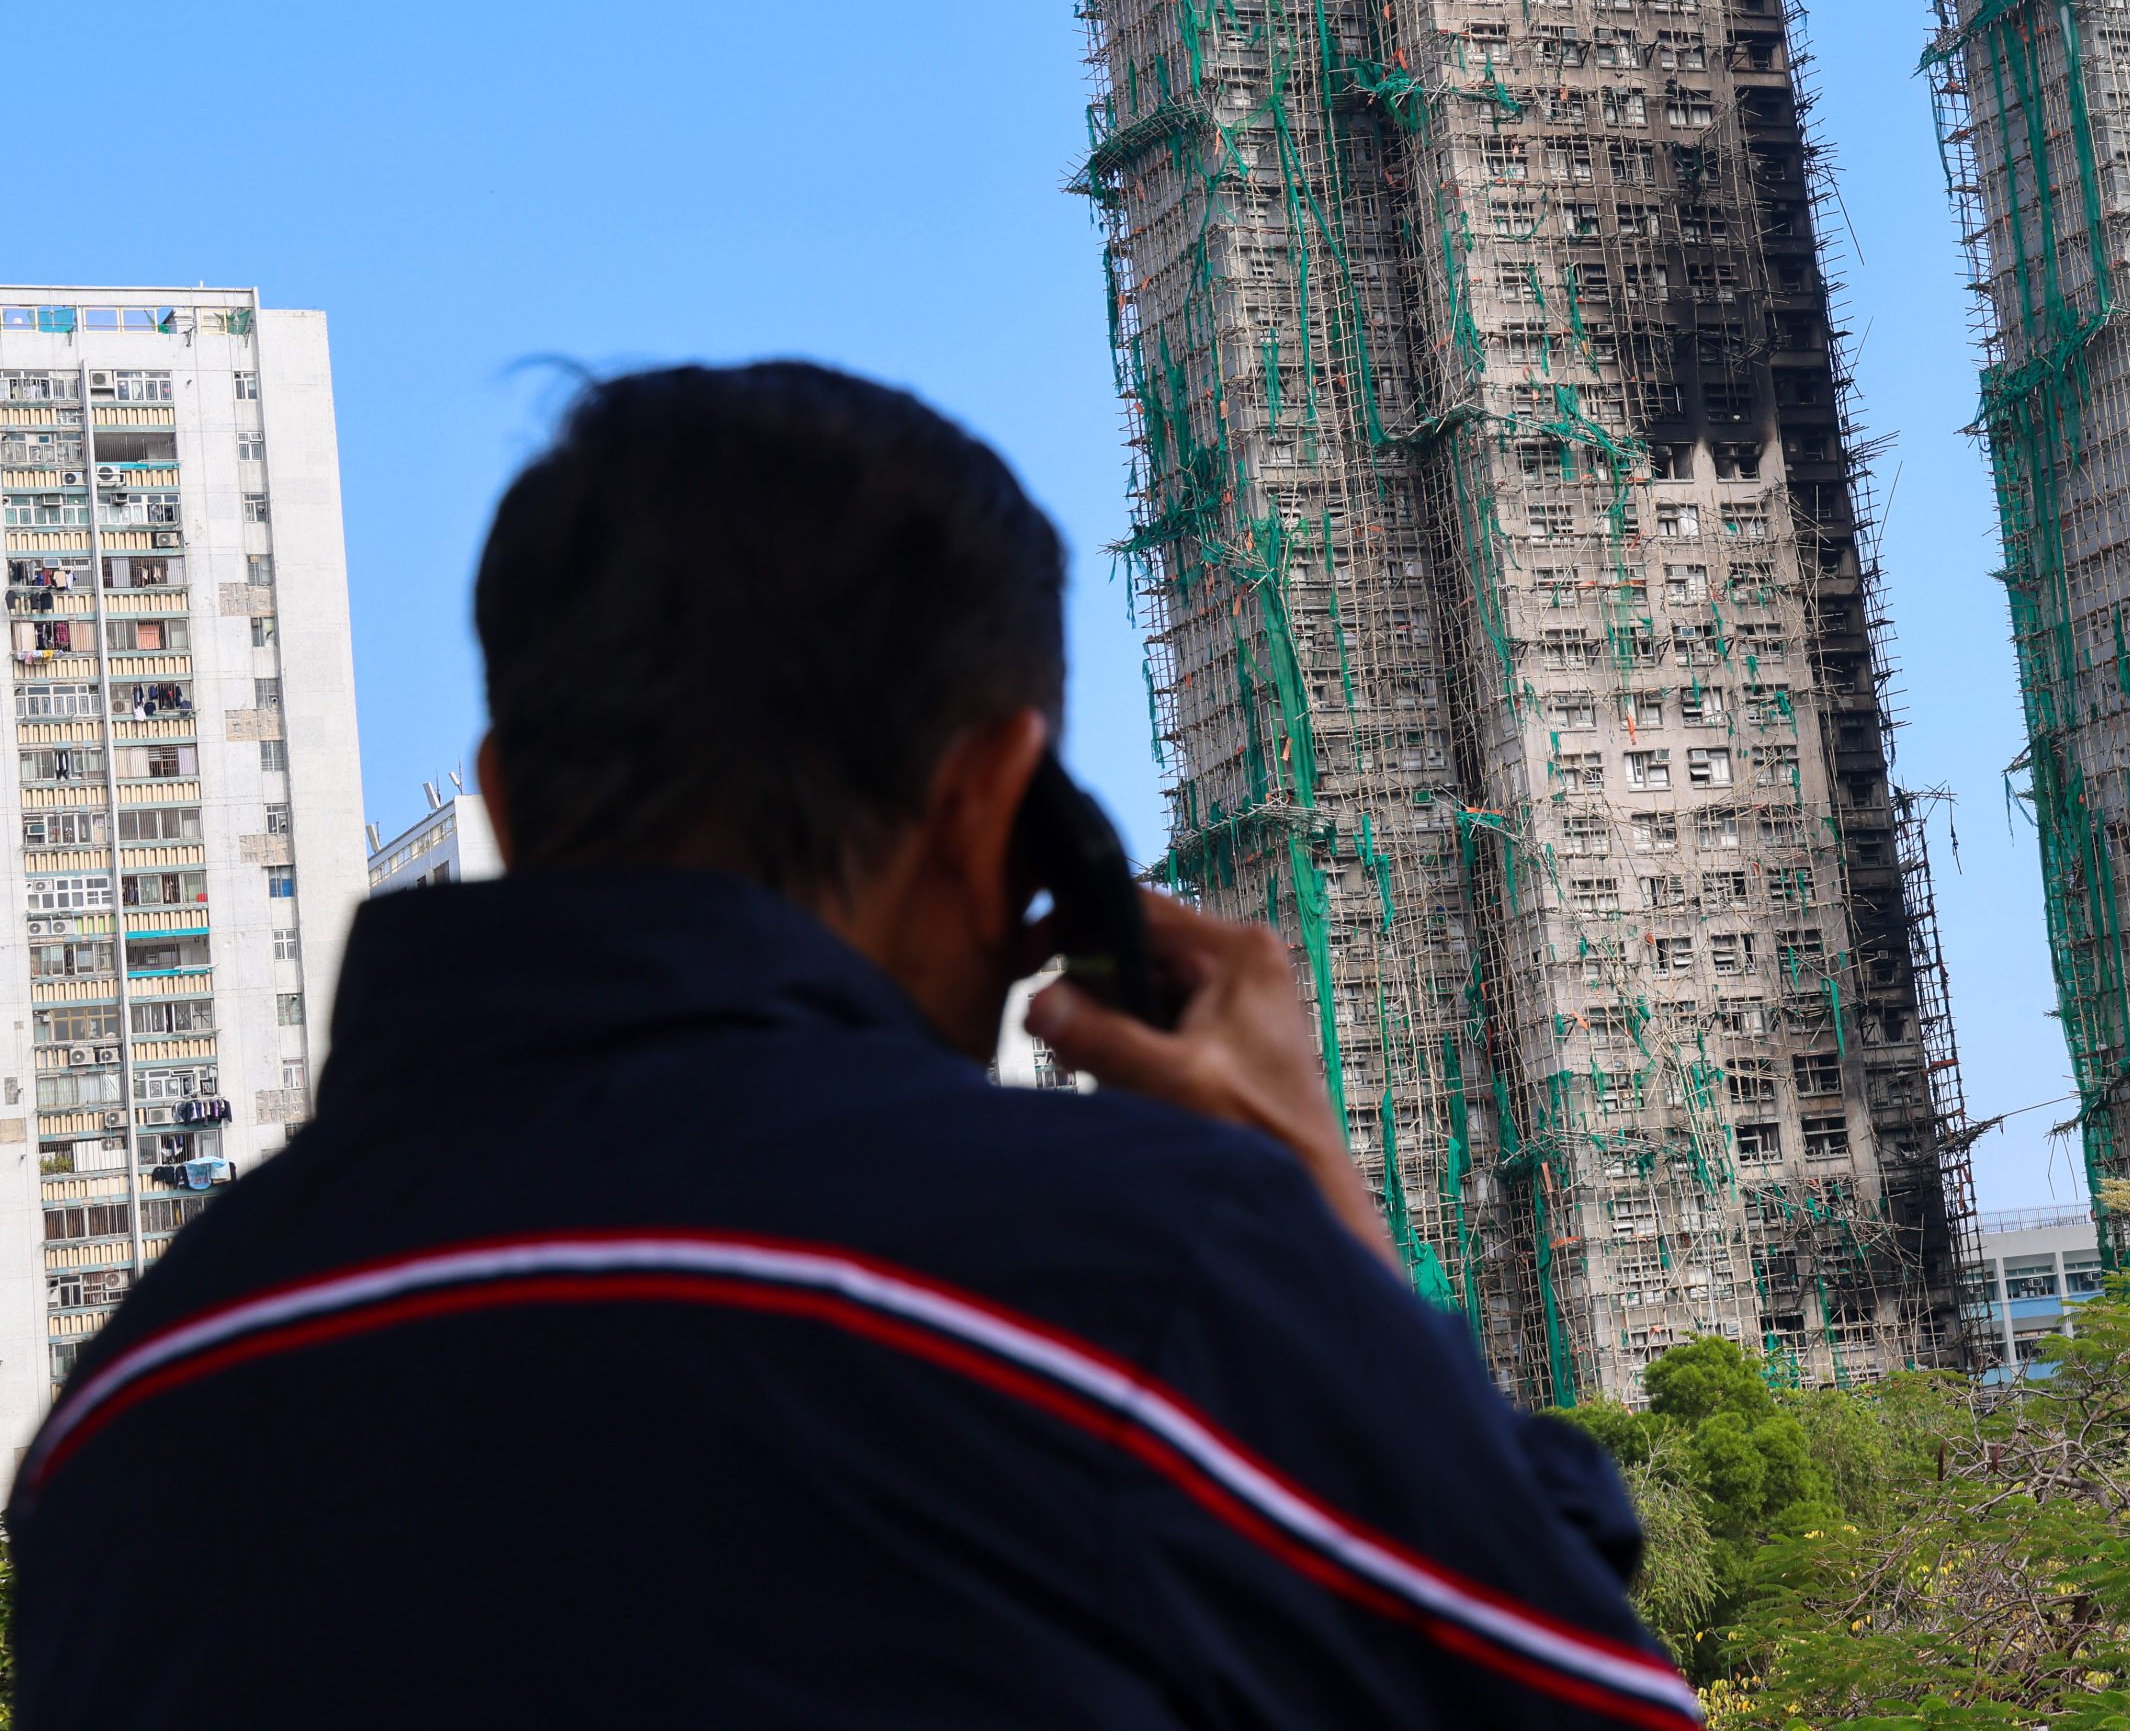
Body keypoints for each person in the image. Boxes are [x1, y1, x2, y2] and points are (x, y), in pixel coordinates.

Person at [8, 363, 1690, 1727]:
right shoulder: (1132, 1286)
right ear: (994, 801)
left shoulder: (125, 1422)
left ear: (505, 799)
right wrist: (1312, 1191)